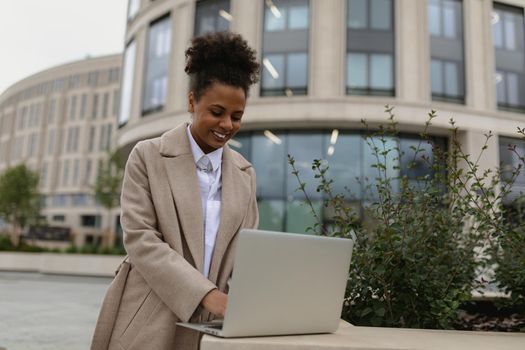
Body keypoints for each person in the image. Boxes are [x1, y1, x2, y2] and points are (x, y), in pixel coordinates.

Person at [90, 31, 260, 350]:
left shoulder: (245, 173)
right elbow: (141, 238)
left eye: (237, 116)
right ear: (192, 101)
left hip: (212, 324)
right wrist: (206, 295)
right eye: (217, 112)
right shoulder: (147, 155)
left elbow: (247, 253)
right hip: (148, 313)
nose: (227, 124)